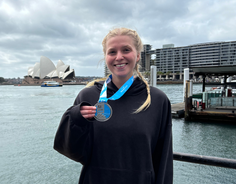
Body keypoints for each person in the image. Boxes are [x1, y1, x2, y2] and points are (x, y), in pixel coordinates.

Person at [53, 27, 173, 184]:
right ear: (105, 57)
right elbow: (73, 151)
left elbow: (163, 160)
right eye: (112, 52)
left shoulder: (158, 100)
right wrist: (75, 119)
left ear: (137, 56)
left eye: (126, 50)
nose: (119, 57)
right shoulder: (88, 96)